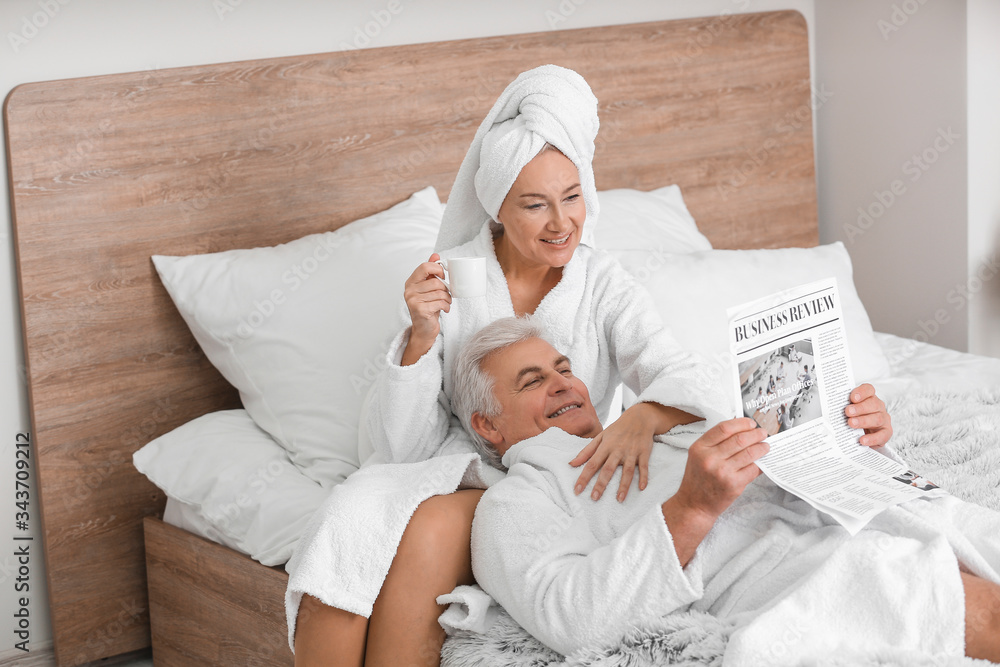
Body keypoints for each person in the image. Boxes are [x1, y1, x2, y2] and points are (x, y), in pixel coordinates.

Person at [287, 64, 728, 666]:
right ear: (496, 208)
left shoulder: (601, 282)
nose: (562, 223)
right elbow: (401, 451)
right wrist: (420, 336)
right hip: (464, 464)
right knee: (354, 509)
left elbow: (678, 371)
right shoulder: (453, 273)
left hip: (552, 471)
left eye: (572, 198)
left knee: (435, 526)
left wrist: (644, 414)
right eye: (535, 205)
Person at [461, 317, 1000, 662]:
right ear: (487, 425)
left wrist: (860, 439)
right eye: (532, 381)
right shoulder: (514, 503)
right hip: (803, 568)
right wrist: (691, 510)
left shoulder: (669, 423)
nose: (564, 384)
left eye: (564, 369)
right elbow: (572, 617)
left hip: (888, 513)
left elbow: (800, 461)